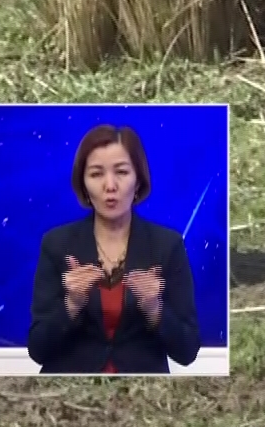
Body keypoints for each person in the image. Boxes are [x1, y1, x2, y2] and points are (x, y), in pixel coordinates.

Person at [27, 124, 201, 374]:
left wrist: (154, 308)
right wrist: (72, 304)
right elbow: (38, 349)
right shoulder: (57, 244)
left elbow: (187, 351)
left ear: (139, 180)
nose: (110, 185)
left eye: (121, 172)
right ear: (83, 184)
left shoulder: (167, 245)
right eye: (96, 174)